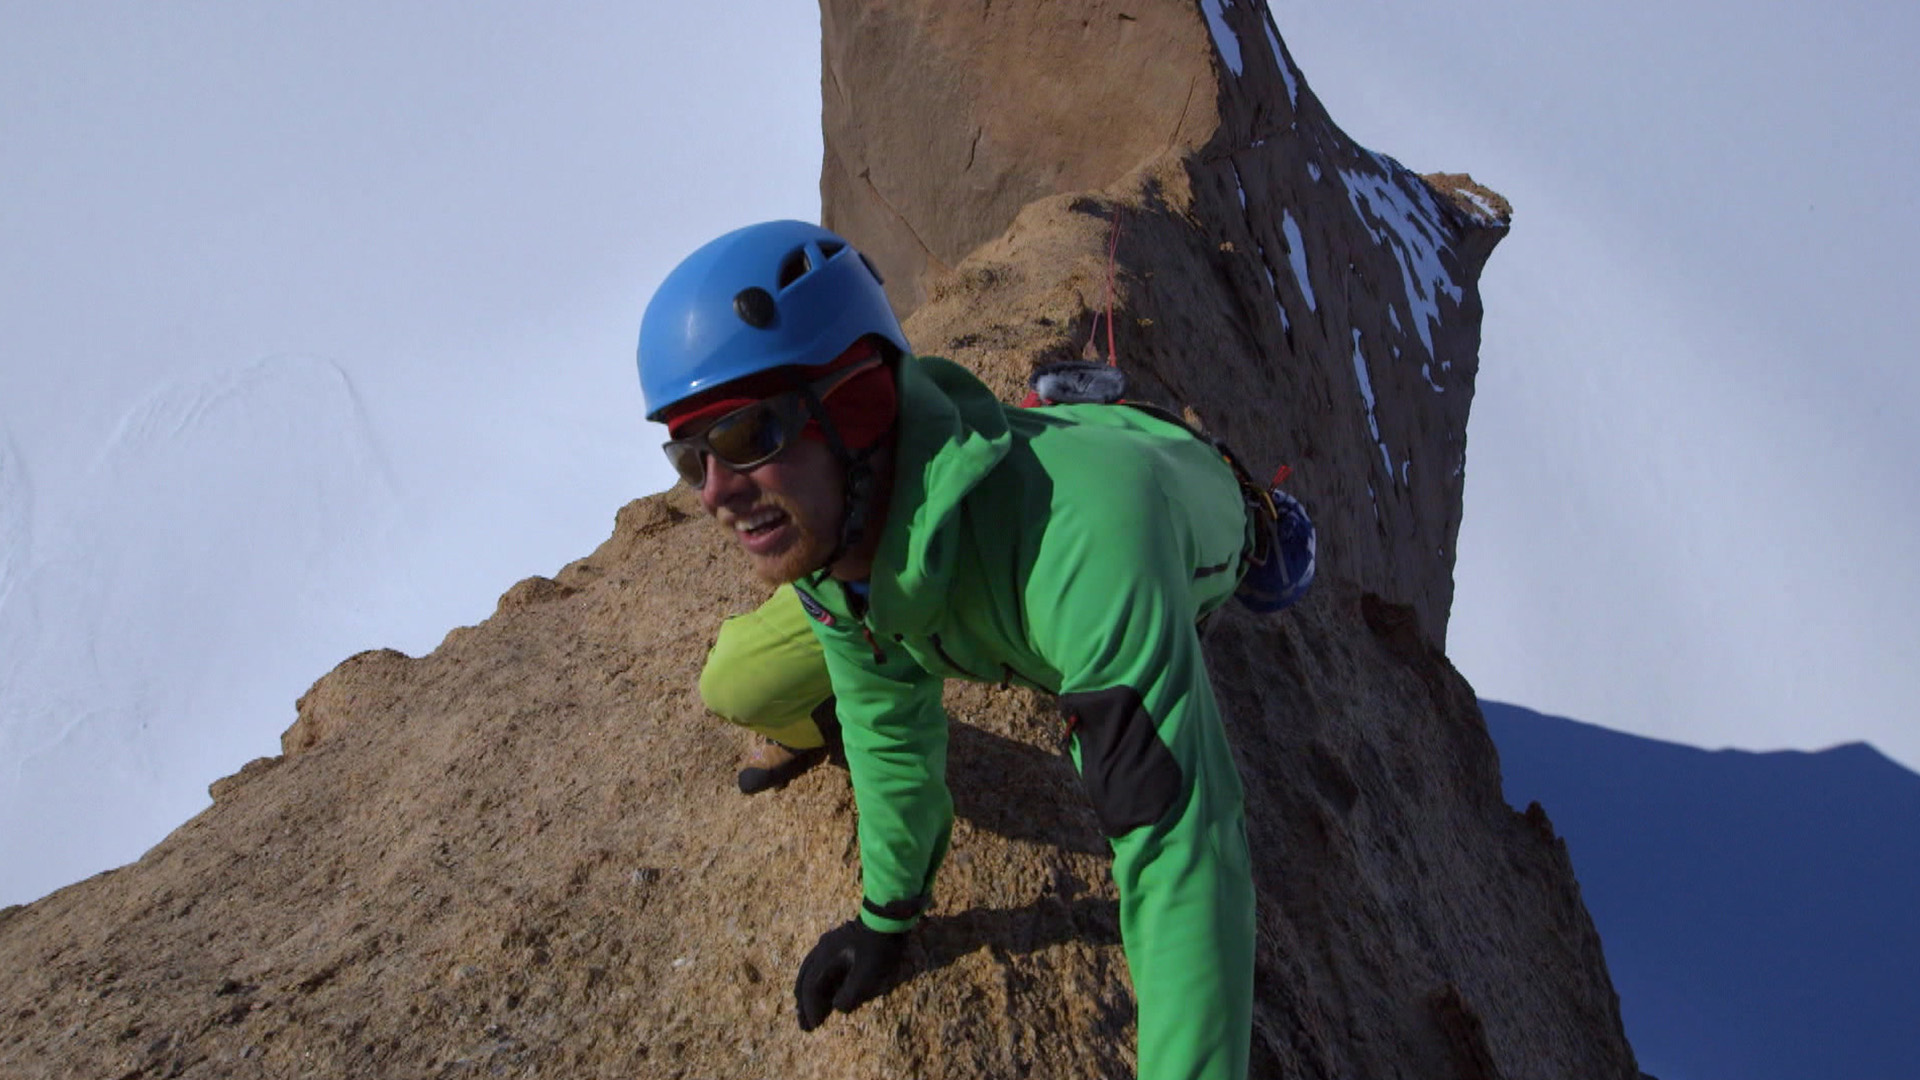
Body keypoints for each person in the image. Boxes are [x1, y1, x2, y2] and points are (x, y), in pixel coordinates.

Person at [637, 220, 1312, 1080]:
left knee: (1259, 556)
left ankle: (1230, 490)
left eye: (744, 437)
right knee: (738, 678)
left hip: (1165, 507)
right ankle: (1073, 416)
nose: (715, 493)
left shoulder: (1086, 553)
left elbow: (1182, 850)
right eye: (689, 455)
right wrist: (889, 910)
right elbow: (884, 721)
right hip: (980, 527)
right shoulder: (830, 537)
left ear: (856, 403)